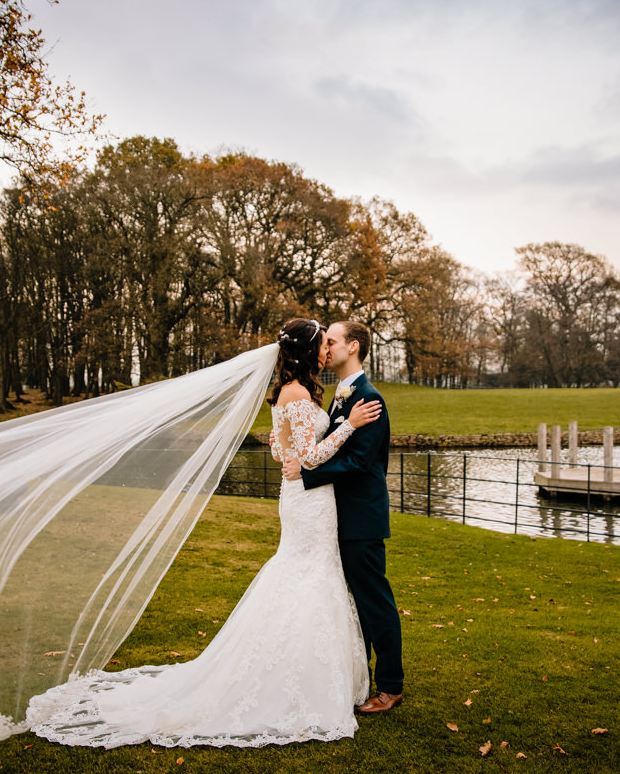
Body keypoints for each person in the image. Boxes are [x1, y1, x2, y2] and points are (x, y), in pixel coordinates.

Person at [25, 317, 382, 747]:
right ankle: (300, 682)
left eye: (332, 341)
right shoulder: (300, 394)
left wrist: (295, 455)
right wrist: (349, 426)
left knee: (305, 574)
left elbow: (277, 447)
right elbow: (308, 457)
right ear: (309, 352)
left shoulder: (288, 393)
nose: (327, 349)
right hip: (308, 503)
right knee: (307, 576)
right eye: (322, 343)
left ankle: (305, 672)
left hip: (303, 503)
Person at [282, 320, 403, 714]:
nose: (325, 347)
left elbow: (357, 462)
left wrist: (307, 471)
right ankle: (356, 678)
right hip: (332, 515)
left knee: (374, 601)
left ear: (353, 347)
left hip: (361, 518)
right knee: (347, 603)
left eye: (331, 341)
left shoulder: (369, 399)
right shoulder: (338, 397)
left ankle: (390, 685)